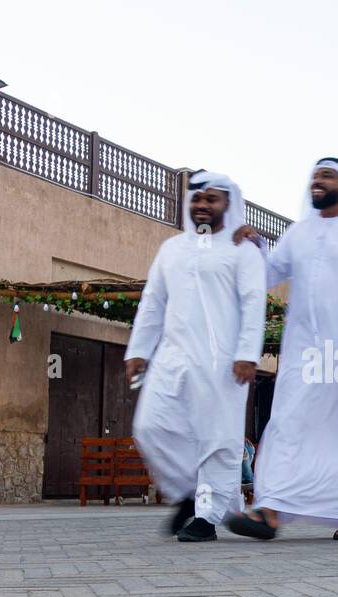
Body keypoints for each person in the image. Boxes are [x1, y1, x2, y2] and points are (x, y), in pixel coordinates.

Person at [226, 158, 338, 541]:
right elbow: (269, 273)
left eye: (327, 175)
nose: (318, 181)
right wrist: (254, 247)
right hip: (303, 350)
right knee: (288, 421)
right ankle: (270, 510)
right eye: (315, 175)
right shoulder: (299, 232)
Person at [125, 172, 265, 542]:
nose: (203, 205)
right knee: (150, 426)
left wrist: (248, 353)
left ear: (227, 205)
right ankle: (187, 492)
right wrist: (139, 350)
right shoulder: (171, 248)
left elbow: (255, 304)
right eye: (197, 199)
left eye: (212, 199)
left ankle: (208, 517)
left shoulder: (242, 249)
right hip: (172, 356)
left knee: (219, 438)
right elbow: (153, 302)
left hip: (222, 361)